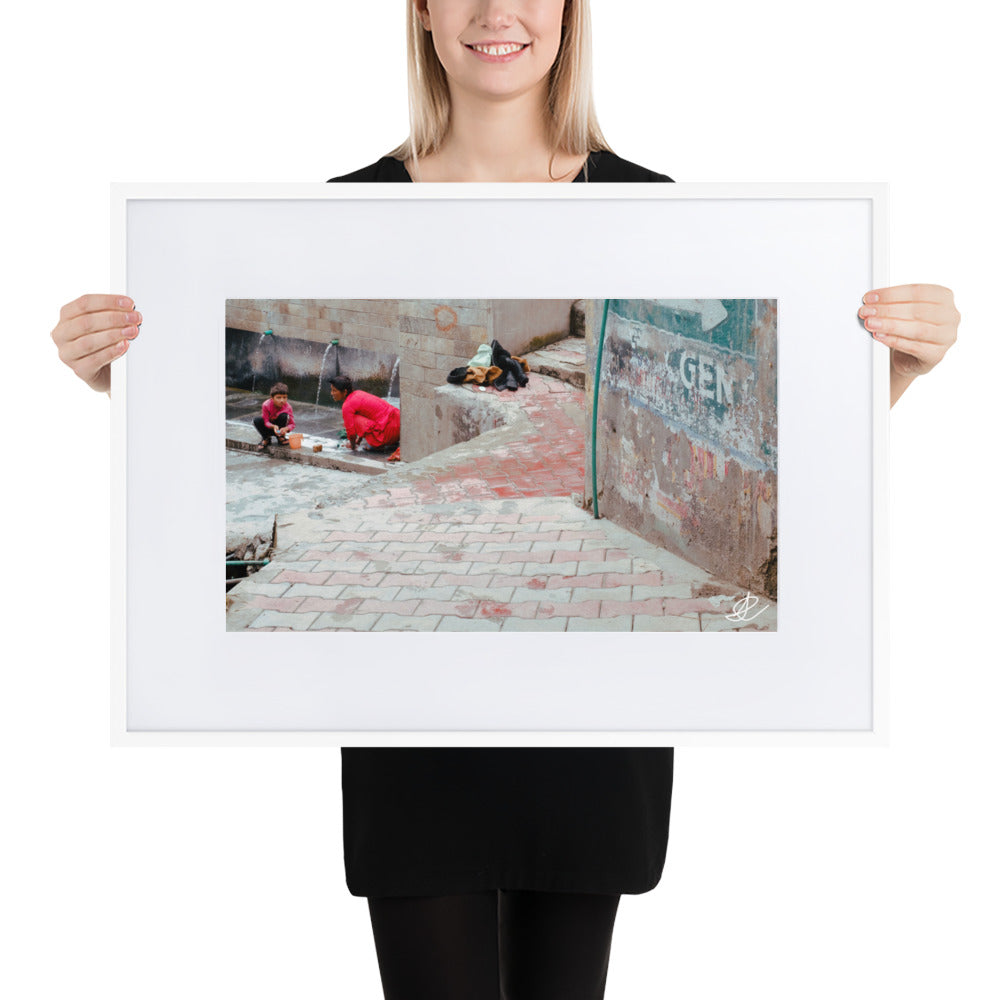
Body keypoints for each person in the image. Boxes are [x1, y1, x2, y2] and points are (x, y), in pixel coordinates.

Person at [49, 2, 960, 998]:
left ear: (569, 14)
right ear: (424, 13)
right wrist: (122, 385)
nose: (497, 12)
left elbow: (786, 445)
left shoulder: (661, 213)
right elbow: (193, 445)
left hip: (593, 728)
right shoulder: (332, 218)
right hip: (412, 732)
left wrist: (899, 370)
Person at [329, 375, 401, 452]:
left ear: (345, 392)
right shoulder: (358, 393)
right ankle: (387, 440)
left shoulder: (347, 405)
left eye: (334, 391)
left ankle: (378, 444)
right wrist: (358, 440)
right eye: (332, 390)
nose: (331, 393)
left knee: (352, 420)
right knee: (358, 418)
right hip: (399, 428)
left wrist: (353, 446)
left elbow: (351, 433)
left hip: (388, 433)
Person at [253, 382, 295, 450]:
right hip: (269, 427)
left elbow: (292, 424)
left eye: (284, 397)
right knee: (257, 420)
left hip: (280, 429)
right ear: (272, 398)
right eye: (278, 398)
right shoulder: (266, 405)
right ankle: (266, 438)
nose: (282, 400)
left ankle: (280, 437)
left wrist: (286, 429)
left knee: (285, 416)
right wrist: (273, 426)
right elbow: (266, 421)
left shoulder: (288, 407)